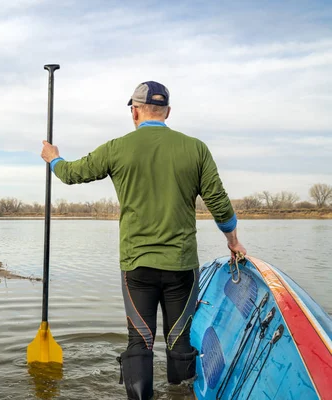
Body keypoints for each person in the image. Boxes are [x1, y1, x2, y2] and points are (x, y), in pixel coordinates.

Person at [40, 81, 247, 400]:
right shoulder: (195, 148)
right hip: (181, 268)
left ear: (134, 112)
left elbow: (71, 174)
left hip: (136, 268)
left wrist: (53, 158)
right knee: (179, 341)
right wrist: (233, 241)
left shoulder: (116, 148)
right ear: (168, 112)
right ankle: (181, 394)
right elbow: (218, 201)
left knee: (140, 342)